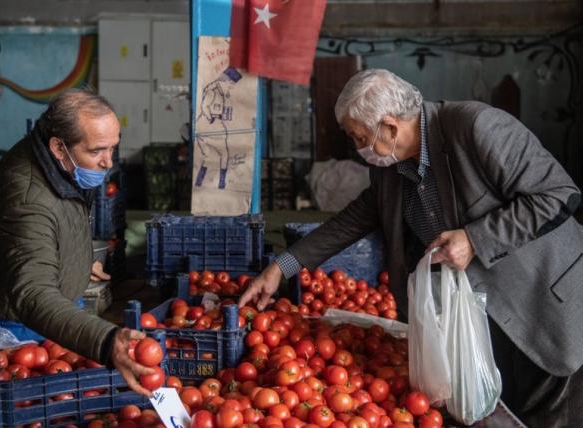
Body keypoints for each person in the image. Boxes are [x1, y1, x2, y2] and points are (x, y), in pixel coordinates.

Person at [239, 69, 583, 426]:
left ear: (389, 127)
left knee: (558, 415)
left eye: (360, 138)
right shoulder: (390, 167)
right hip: (485, 320)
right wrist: (281, 268)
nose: (359, 151)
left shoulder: (475, 127)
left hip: (546, 306)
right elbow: (353, 219)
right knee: (507, 413)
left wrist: (475, 239)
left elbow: (558, 194)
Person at [0, 89, 154, 395]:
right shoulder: (27, 199)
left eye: (114, 147)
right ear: (58, 147)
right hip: (23, 329)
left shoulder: (58, 161)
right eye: (97, 151)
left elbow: (57, 223)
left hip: (63, 311)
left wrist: (79, 259)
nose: (107, 162)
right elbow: (33, 294)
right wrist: (106, 340)